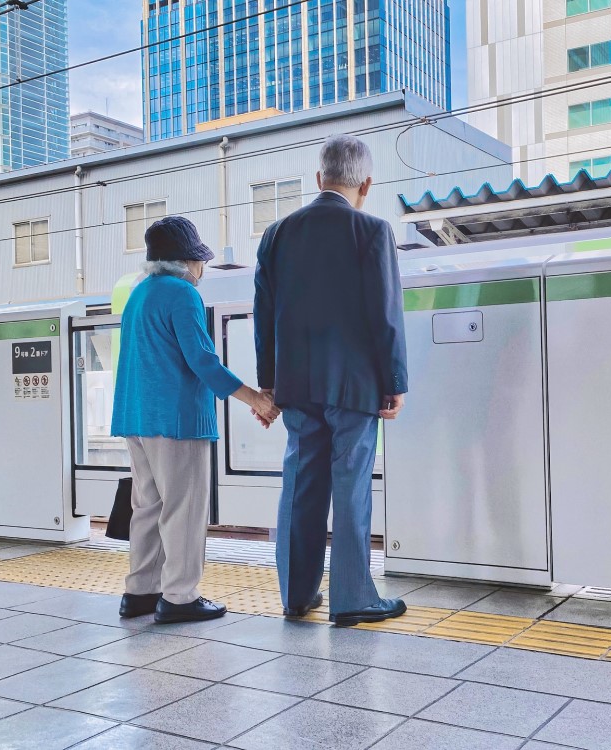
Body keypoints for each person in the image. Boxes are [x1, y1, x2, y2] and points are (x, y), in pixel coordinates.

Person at [254, 134, 408, 626]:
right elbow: (385, 316)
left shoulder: (276, 234)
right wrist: (395, 380)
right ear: (365, 184)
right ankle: (352, 597)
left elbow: (264, 315)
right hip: (356, 388)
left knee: (300, 485)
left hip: (297, 385)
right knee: (351, 487)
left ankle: (296, 595)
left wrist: (270, 383)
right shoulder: (372, 231)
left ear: (319, 179)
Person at [112, 216, 280, 624]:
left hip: (136, 417)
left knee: (148, 507)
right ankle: (180, 596)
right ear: (188, 261)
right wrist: (255, 399)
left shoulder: (139, 294)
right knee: (184, 509)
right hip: (177, 420)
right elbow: (202, 360)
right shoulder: (182, 294)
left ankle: (140, 592)